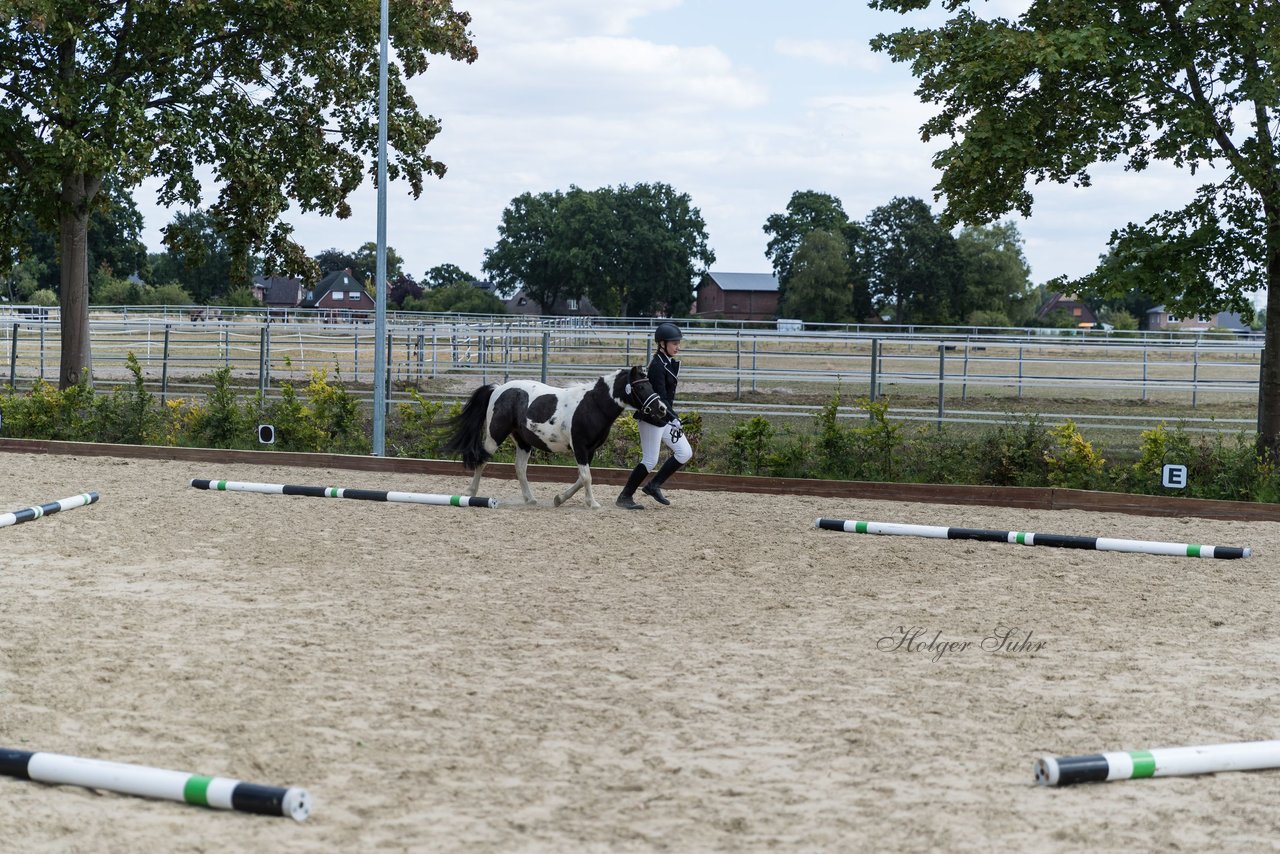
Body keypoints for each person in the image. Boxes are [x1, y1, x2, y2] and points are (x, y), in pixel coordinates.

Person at [617, 322, 693, 510]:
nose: (678, 347)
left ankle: (653, 485)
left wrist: (672, 417)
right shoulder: (658, 365)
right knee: (650, 460)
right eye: (674, 343)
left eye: (678, 343)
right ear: (662, 344)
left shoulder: (666, 362)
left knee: (685, 452)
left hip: (664, 416)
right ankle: (625, 496)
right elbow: (660, 398)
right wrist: (673, 417)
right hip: (653, 417)